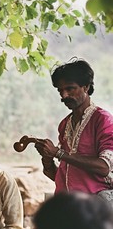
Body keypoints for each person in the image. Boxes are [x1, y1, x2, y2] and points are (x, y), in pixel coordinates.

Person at [35, 58, 113, 200]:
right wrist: (48, 160)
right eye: (60, 91)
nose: (64, 96)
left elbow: (104, 167)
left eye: (70, 89)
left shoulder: (103, 120)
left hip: (94, 208)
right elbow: (62, 178)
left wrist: (58, 153)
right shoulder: (64, 124)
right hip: (68, 206)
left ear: (86, 87)